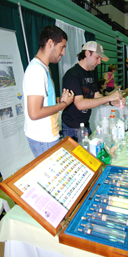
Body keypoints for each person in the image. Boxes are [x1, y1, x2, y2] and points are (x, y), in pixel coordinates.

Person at [23, 25, 74, 158]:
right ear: (50, 43)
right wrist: (64, 105)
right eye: (62, 47)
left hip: (46, 137)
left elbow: (44, 101)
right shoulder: (37, 71)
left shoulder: (43, 68)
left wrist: (59, 100)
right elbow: (34, 113)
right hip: (43, 139)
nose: (63, 53)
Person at [62, 41, 125, 141]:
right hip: (72, 128)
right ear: (87, 54)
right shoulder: (72, 75)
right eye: (97, 58)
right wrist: (110, 97)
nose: (99, 62)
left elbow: (97, 96)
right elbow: (80, 104)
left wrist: (112, 102)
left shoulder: (90, 73)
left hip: (85, 126)